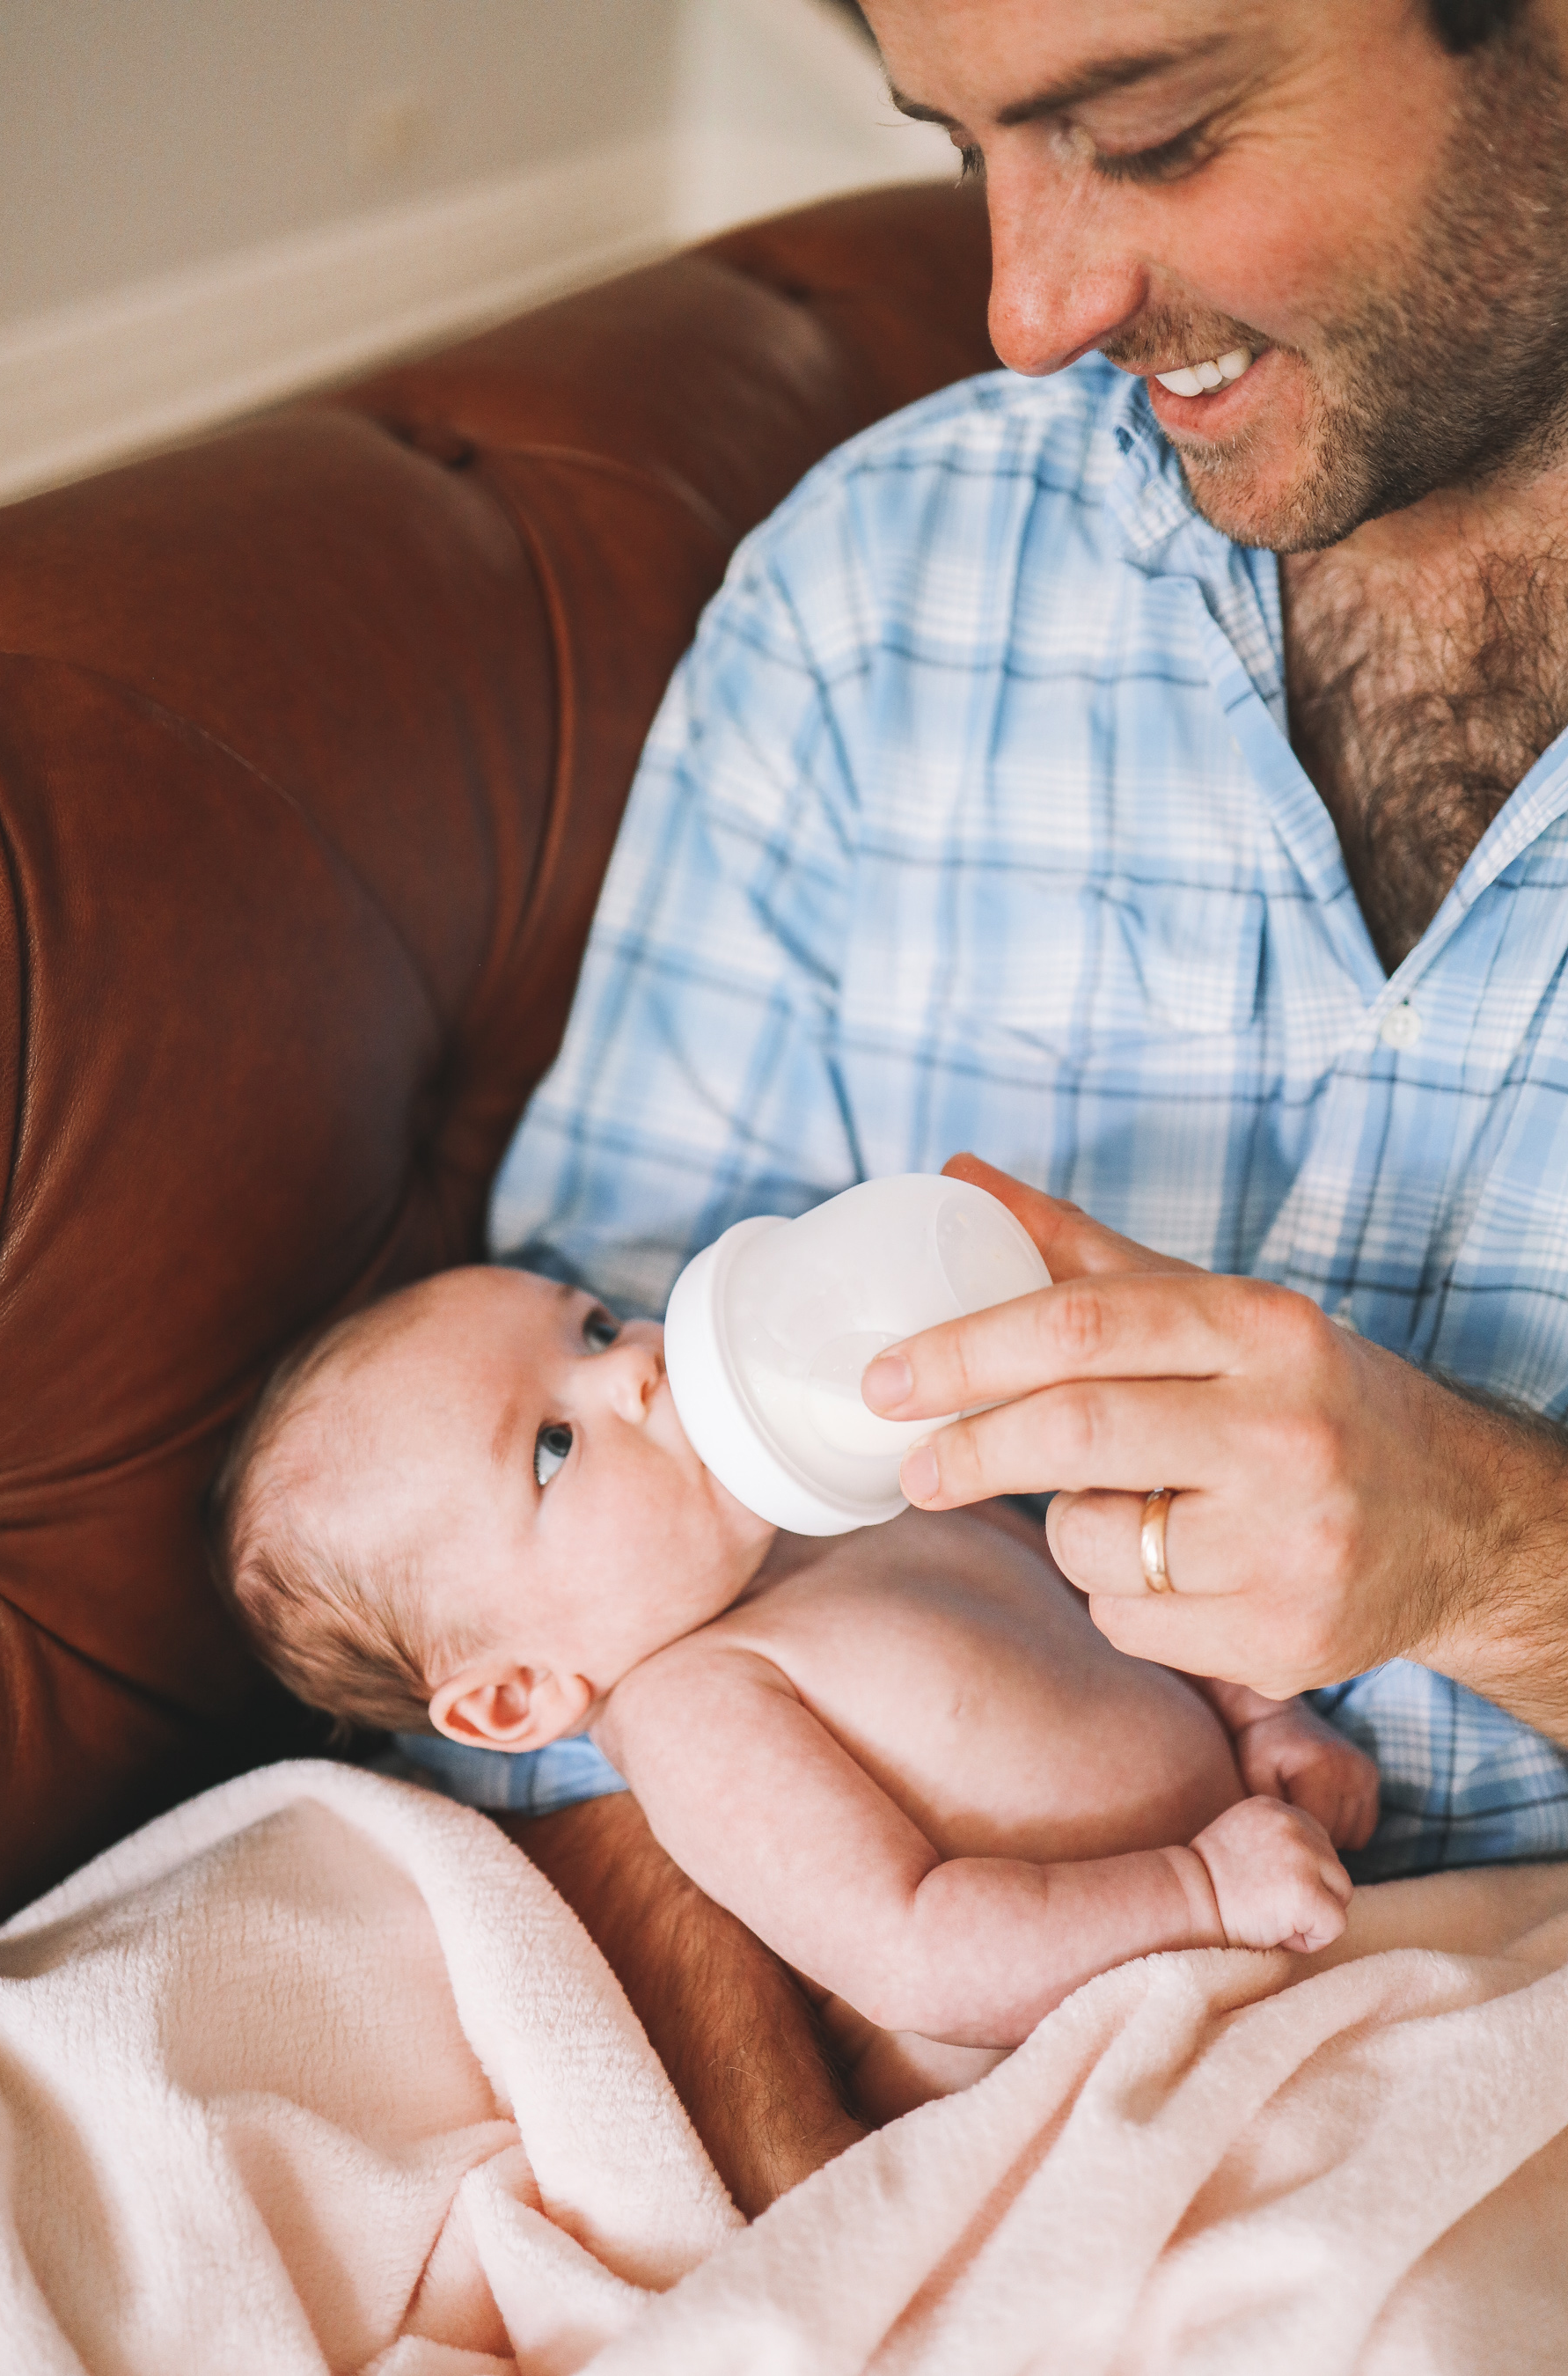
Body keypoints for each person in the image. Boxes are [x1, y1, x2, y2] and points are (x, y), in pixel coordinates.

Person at [423, 0, 1568, 2209]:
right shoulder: (876, 602)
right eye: (967, 156)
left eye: (1147, 132)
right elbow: (523, 1617)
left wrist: (1502, 1561)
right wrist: (807, 2281)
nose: (1030, 311)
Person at [212, 1264, 1373, 2124]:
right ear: (516, 1696)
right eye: (553, 1447)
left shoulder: (837, 1490)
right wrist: (1199, 1888)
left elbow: (1091, 1578)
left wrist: (1258, 1714)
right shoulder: (697, 1708)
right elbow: (915, 1949)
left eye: (596, 1323)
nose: (636, 1362)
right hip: (1082, 2080)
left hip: (1265, 1906)